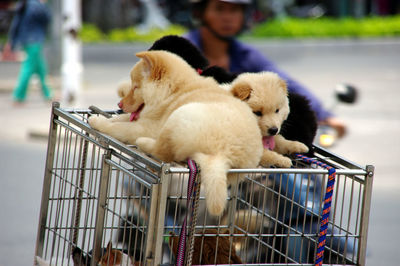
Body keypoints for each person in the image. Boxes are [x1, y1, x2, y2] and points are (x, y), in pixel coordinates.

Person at [186, 0, 347, 138]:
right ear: (201, 13)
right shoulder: (181, 50)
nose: (228, 17)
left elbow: (283, 83)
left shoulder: (246, 55)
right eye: (219, 9)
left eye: (235, 10)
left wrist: (324, 115)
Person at [4, 0, 53, 104]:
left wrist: (12, 41)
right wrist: (42, 4)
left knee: (41, 68)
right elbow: (47, 18)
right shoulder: (35, 5)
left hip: (27, 40)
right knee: (28, 67)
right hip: (34, 40)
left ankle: (48, 94)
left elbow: (16, 23)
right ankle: (18, 95)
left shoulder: (24, 4)